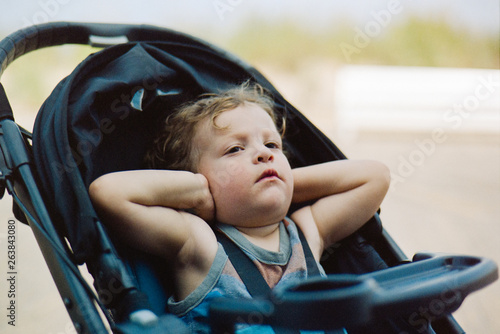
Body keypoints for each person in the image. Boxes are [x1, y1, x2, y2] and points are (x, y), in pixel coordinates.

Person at [89, 82, 391, 333]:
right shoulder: (198, 243)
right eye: (235, 149)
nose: (263, 154)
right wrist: (199, 193)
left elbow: (376, 177)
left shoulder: (307, 230)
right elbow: (108, 193)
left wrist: (281, 181)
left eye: (272, 145)